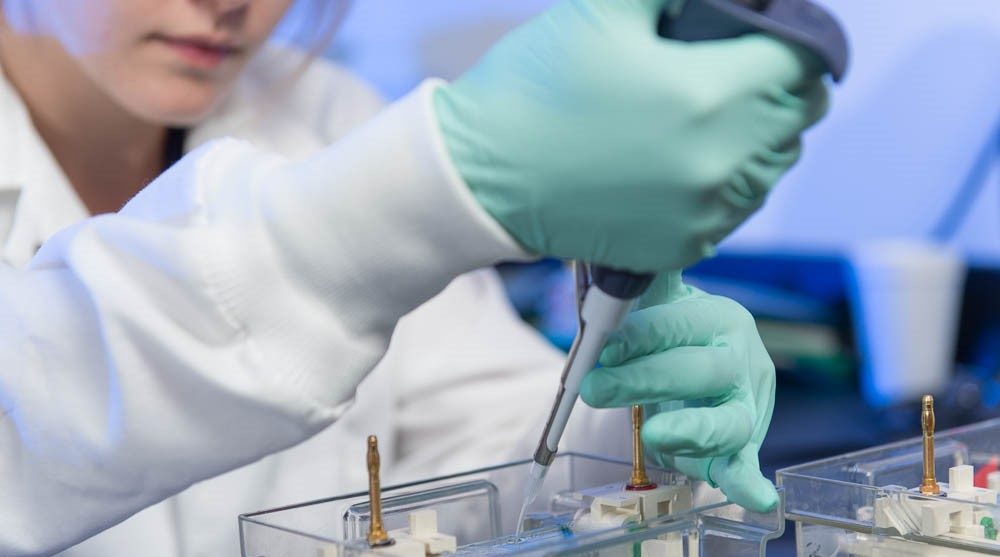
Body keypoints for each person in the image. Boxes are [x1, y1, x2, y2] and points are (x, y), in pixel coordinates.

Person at [0, 0, 827, 555]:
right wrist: (393, 205)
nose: (232, 3)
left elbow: (484, 453)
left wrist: (636, 434)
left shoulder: (326, 114)